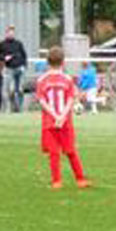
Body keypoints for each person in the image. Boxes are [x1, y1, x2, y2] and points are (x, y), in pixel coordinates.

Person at [36, 46, 91, 190]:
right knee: (71, 151)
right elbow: (71, 99)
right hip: (65, 121)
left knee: (54, 153)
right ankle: (80, 179)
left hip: (49, 122)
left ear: (47, 62)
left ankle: (56, 181)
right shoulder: (67, 79)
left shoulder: (42, 80)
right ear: (63, 62)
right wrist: (62, 116)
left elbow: (42, 101)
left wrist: (54, 116)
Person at [0, 25, 28, 112]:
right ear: (6, 33)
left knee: (20, 89)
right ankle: (12, 106)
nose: (11, 34)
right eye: (9, 33)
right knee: (11, 90)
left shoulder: (18, 43)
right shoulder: (2, 44)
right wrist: (4, 58)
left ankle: (19, 108)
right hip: (9, 68)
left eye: (12, 33)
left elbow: (24, 55)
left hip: (19, 68)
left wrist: (24, 65)